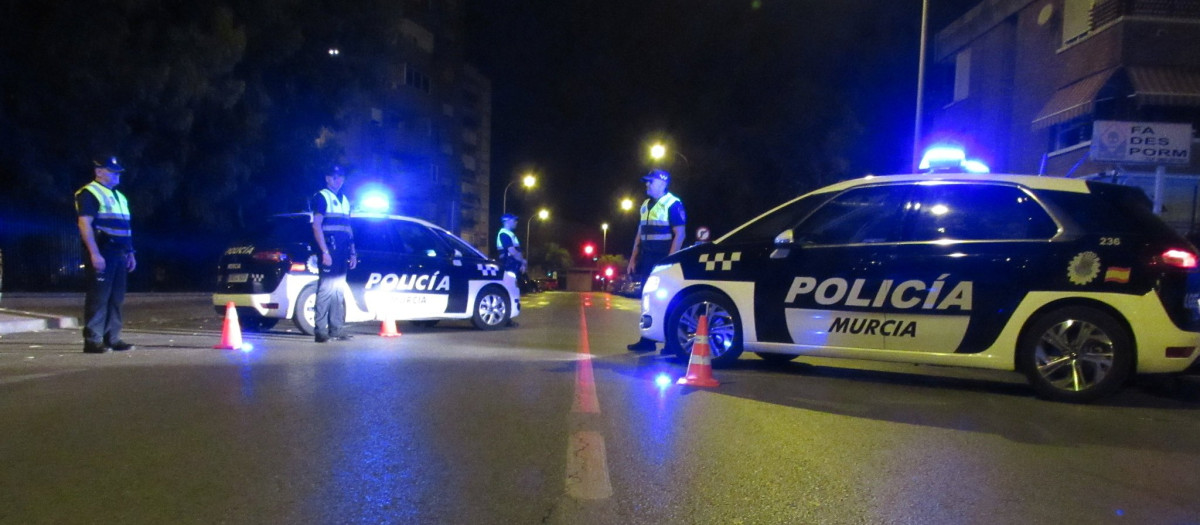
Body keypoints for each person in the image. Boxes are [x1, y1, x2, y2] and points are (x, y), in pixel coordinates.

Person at [75, 156, 137, 354]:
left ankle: (113, 337)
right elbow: (85, 224)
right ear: (99, 171)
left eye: (118, 171)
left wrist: (130, 252)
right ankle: (93, 340)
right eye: (112, 171)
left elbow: (125, 227)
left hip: (119, 252)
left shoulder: (120, 197)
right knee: (99, 297)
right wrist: (94, 253)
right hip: (103, 250)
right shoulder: (89, 193)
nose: (117, 175)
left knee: (116, 298)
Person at [626, 169, 686, 352]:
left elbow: (680, 234)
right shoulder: (644, 205)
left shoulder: (673, 204)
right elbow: (640, 234)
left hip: (663, 259)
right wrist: (633, 259)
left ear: (662, 183)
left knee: (668, 300)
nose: (647, 185)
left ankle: (671, 343)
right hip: (647, 259)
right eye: (647, 182)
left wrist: (669, 261)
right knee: (648, 300)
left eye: (650, 182)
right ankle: (647, 339)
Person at [311, 165, 357, 343]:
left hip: (342, 252)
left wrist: (353, 253)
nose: (338, 180)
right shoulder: (321, 197)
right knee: (325, 291)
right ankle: (320, 331)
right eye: (334, 177)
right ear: (327, 178)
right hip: (329, 250)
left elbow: (348, 228)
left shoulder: (345, 200)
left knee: (338, 291)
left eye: (341, 177)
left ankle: (336, 329)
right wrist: (324, 251)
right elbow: (316, 226)